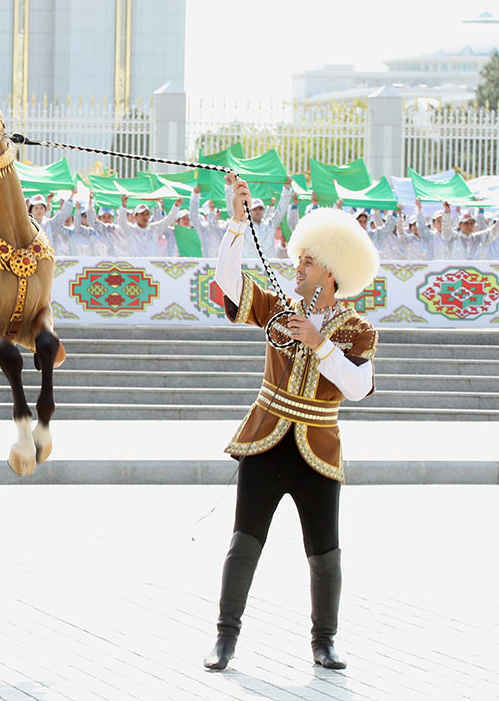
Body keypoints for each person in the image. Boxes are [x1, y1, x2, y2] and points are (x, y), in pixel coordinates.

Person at [204, 174, 379, 672]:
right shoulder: (278, 309)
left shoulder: (357, 329)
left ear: (331, 273)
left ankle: (324, 642)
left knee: (325, 551)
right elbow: (229, 283)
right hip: (265, 440)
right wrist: (236, 224)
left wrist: (319, 344)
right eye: (298, 259)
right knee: (244, 541)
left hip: (318, 450)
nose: (297, 267)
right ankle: (225, 638)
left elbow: (358, 387)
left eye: (307, 261)